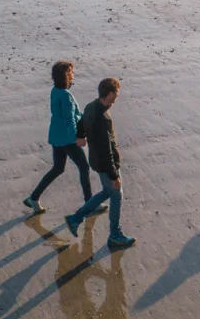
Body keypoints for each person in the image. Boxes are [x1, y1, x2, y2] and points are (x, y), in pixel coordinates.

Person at [23, 61, 107, 216]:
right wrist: (79, 137)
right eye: (71, 72)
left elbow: (68, 116)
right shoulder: (66, 95)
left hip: (56, 136)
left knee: (58, 168)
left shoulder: (55, 91)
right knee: (83, 167)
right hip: (68, 139)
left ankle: (33, 198)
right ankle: (89, 204)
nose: (73, 74)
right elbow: (70, 119)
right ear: (66, 75)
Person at [64, 78, 136, 249]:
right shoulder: (102, 117)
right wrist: (114, 175)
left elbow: (81, 121)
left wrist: (80, 135)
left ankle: (75, 218)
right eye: (115, 94)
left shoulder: (91, 106)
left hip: (95, 160)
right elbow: (106, 150)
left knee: (106, 192)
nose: (116, 98)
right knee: (116, 194)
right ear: (109, 93)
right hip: (105, 163)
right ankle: (115, 235)